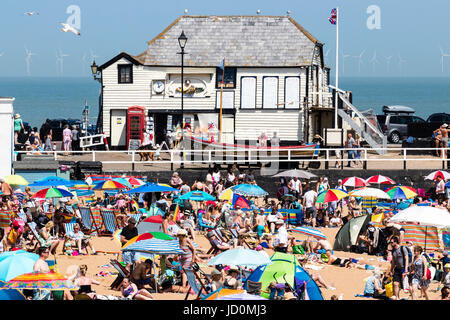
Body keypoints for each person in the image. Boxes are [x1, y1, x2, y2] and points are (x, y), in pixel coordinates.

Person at [388, 236, 410, 300]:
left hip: (404, 269)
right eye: (390, 242)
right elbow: (393, 261)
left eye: (392, 242)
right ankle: (397, 298)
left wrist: (406, 269)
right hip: (397, 269)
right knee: (395, 283)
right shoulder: (393, 251)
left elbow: (406, 258)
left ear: (396, 242)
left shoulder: (403, 248)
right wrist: (391, 270)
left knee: (406, 286)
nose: (391, 244)